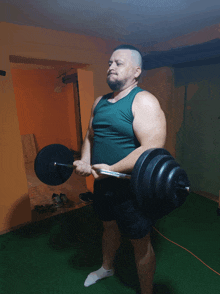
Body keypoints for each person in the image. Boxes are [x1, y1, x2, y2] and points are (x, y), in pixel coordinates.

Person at [73, 44, 167, 294]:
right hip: (103, 185)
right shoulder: (99, 102)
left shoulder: (143, 101)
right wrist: (85, 161)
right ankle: (107, 267)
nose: (111, 67)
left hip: (132, 189)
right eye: (110, 63)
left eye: (119, 63)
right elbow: (91, 136)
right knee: (108, 227)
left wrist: (112, 168)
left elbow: (152, 149)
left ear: (136, 72)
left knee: (140, 242)